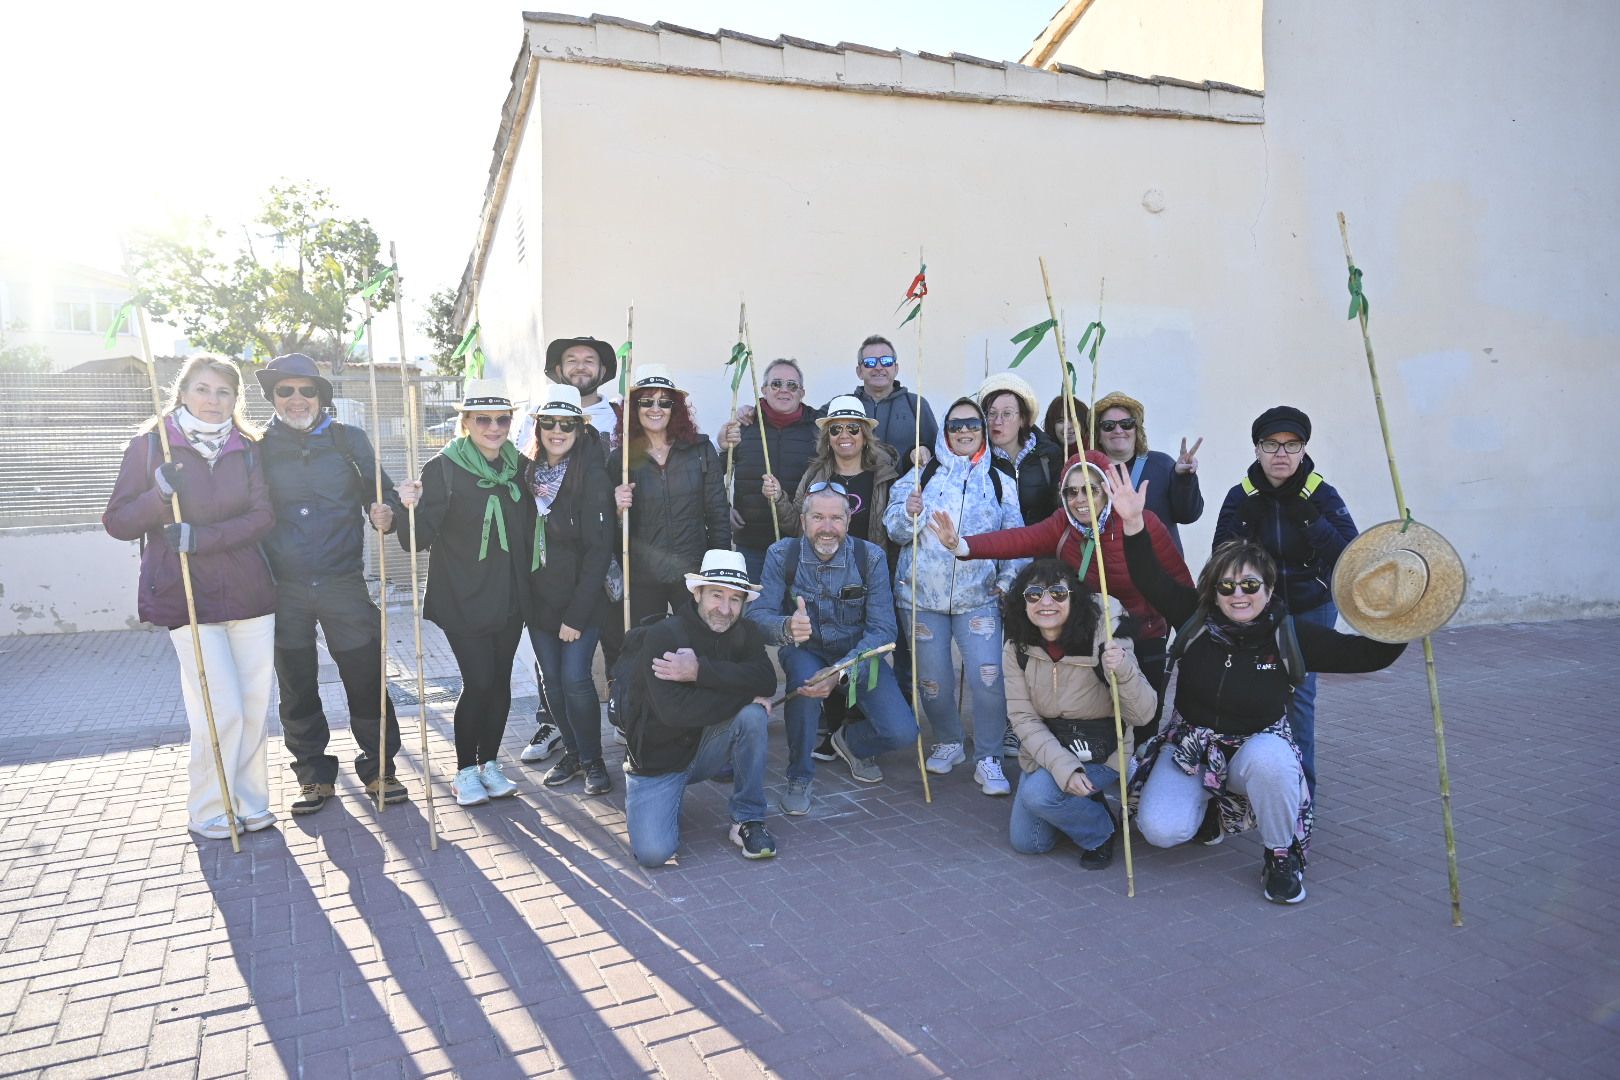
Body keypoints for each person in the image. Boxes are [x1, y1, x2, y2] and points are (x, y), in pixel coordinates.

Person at [1111, 463, 1403, 905]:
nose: (1238, 594)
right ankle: (1209, 807)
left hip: (1257, 744)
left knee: (1277, 764)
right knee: (1162, 830)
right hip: (1191, 744)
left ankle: (1281, 856)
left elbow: (1366, 654)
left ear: (1268, 588)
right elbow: (1149, 576)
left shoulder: (1289, 633)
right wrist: (1133, 524)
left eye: (1250, 584)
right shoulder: (1193, 616)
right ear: (1214, 590)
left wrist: (1405, 619)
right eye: (1227, 586)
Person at [103, 355, 276, 840]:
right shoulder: (151, 446)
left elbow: (264, 516)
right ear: (181, 393)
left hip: (249, 593)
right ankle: (208, 807)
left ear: (235, 400)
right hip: (186, 595)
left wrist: (202, 537)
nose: (213, 401)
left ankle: (249, 801)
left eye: (224, 393)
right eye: (203, 389)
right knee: (218, 707)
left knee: (253, 704)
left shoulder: (248, 447)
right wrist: (158, 494)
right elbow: (117, 522)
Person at [254, 353, 407, 815]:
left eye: (308, 390)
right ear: (273, 397)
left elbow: (381, 497)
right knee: (296, 683)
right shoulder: (255, 447)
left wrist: (386, 515)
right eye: (286, 390)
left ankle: (380, 767)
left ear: (322, 396)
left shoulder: (348, 440)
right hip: (284, 588)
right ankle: (313, 776)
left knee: (364, 677)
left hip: (343, 583)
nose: (297, 399)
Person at [927, 452, 1192, 701]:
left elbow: (1178, 582)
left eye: (1091, 490)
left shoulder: (1142, 521)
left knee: (1144, 714)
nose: (1080, 499)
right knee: (1096, 714)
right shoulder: (1063, 524)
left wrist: (1193, 637)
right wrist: (961, 545)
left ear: (1107, 490)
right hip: (1088, 637)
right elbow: (1018, 540)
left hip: (1143, 637)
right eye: (1071, 491)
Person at [397, 380, 533, 808]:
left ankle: (490, 763)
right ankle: (463, 771)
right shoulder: (444, 467)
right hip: (463, 595)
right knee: (478, 681)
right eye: (483, 420)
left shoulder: (520, 466)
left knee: (500, 682)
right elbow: (414, 541)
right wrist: (406, 507)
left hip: (509, 594)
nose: (494, 427)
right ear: (466, 423)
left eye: (502, 419)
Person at [1212, 405, 1359, 795]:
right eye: (1271, 444)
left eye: (1291, 445)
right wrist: (1246, 520)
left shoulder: (1321, 494)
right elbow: (1220, 559)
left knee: (1300, 695)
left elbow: (1350, 556)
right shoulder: (1241, 494)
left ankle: (1300, 791)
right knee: (1248, 690)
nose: (1281, 454)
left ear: (1303, 448)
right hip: (1256, 613)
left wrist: (1310, 519)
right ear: (1257, 449)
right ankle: (1244, 784)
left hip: (1312, 606)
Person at [885, 397, 1026, 794]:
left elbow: (1015, 536)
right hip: (921, 597)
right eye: (955, 424)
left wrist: (1007, 582)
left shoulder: (1001, 478)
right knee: (933, 681)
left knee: (988, 678)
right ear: (944, 431)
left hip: (978, 597)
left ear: (983, 430)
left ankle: (990, 756)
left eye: (971, 424)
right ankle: (948, 741)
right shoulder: (921, 474)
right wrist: (907, 513)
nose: (963, 431)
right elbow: (895, 531)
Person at [748, 484, 919, 805]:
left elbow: (883, 630)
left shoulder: (871, 557)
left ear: (848, 521)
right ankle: (799, 776)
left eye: (836, 518)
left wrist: (840, 672)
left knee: (903, 733)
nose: (827, 528)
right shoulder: (781, 554)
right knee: (803, 682)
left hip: (858, 654)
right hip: (805, 650)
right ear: (803, 521)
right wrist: (786, 626)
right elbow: (757, 617)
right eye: (818, 518)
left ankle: (851, 743)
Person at [622, 550, 778, 865]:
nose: (725, 608)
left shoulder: (743, 632)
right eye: (716, 595)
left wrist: (699, 672)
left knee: (754, 716)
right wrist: (742, 695)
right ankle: (658, 799)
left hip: (705, 751)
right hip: (659, 758)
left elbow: (767, 680)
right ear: (697, 593)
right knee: (653, 854)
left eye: (736, 599)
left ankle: (747, 819)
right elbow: (675, 712)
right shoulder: (663, 635)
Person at [1003, 559, 1156, 870]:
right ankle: (1079, 801)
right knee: (1029, 842)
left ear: (1074, 596)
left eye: (1058, 593)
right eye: (1034, 594)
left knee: (1038, 795)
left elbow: (1143, 715)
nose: (1046, 603)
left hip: (1102, 751)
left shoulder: (1104, 637)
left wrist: (1123, 670)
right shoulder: (1016, 647)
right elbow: (1023, 718)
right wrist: (1064, 769)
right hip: (1048, 747)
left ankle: (1100, 831)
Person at [520, 335, 619, 765]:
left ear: (582, 430)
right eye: (550, 423)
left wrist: (578, 613)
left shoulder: (598, 462)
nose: (557, 431)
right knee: (554, 681)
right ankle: (572, 751)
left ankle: (598, 755)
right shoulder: (525, 472)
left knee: (581, 677)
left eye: (568, 424)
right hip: (540, 597)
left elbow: (599, 549)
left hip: (589, 589)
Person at [611, 364, 731, 627]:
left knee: (698, 649)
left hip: (694, 574)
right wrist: (618, 512)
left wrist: (719, 573)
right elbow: (610, 529)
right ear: (634, 408)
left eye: (664, 402)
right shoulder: (620, 460)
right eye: (646, 401)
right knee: (648, 650)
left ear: (674, 408)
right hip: (642, 578)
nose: (656, 409)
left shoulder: (700, 449)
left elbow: (718, 513)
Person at [717, 358, 821, 584]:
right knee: (753, 613)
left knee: (797, 614)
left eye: (792, 385)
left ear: (802, 392)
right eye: (776, 384)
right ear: (763, 390)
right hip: (752, 545)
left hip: (801, 545)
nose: (784, 390)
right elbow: (714, 474)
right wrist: (723, 508)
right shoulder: (743, 426)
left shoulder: (817, 430)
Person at [1089, 390, 1204, 554]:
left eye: (1126, 424)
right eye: (1108, 426)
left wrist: (1184, 478)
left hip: (1160, 573)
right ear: (1098, 435)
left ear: (1136, 430)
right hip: (1107, 573)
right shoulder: (1088, 473)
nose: (1118, 430)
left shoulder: (1162, 465)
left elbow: (1188, 515)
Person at [979, 373, 1067, 530]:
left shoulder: (1048, 455)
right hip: (995, 548)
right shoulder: (979, 458)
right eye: (991, 413)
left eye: (1007, 413)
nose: (997, 421)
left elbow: (1059, 509)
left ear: (1023, 419)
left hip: (1041, 548)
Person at [846, 335, 937, 465]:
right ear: (859, 371)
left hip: (905, 484)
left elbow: (937, 449)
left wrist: (924, 450)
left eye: (886, 361)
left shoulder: (916, 404)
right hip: (856, 485)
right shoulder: (845, 405)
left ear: (896, 368)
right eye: (870, 362)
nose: (878, 367)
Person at [1043, 394, 1088, 458]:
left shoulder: (1096, 453)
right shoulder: (1043, 456)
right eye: (1061, 421)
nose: (1068, 426)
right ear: (1052, 426)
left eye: (1073, 419)